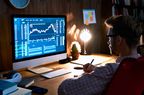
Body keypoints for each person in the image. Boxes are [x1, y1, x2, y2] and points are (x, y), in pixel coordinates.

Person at [58, 15, 142, 95]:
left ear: (119, 40)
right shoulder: (139, 65)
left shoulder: (110, 70)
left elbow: (64, 89)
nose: (108, 41)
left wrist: (85, 75)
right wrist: (97, 70)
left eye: (109, 36)